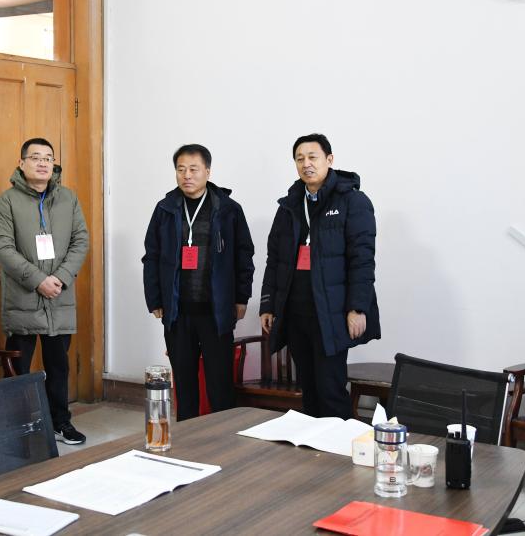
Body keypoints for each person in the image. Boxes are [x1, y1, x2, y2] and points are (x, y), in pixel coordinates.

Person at [260, 133, 380, 419]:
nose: (306, 164)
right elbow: (274, 259)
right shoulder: (289, 205)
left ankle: (339, 445)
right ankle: (313, 445)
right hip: (296, 312)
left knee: (330, 389)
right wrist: (268, 305)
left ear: (329, 159)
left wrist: (357, 308)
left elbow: (362, 260)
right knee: (309, 390)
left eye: (312, 157)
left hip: (332, 313)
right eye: (299, 159)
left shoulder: (353, 201)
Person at [142, 144, 255, 421]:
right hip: (178, 311)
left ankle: (222, 434)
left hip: (216, 311)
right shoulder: (165, 209)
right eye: (181, 169)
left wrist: (241, 298)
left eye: (193, 169)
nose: (187, 176)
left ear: (208, 171)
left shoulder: (228, 209)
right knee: (184, 382)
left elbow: (244, 256)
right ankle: (186, 435)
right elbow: (152, 256)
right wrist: (155, 299)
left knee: (219, 382)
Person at [0, 138, 89, 444]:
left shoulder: (68, 198)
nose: (43, 163)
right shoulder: (8, 201)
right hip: (23, 298)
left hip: (59, 296)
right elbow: (2, 248)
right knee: (18, 367)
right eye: (35, 157)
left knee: (58, 366)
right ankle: (18, 427)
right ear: (22, 163)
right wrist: (37, 280)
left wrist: (60, 277)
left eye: (48, 157)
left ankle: (61, 422)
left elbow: (80, 241)